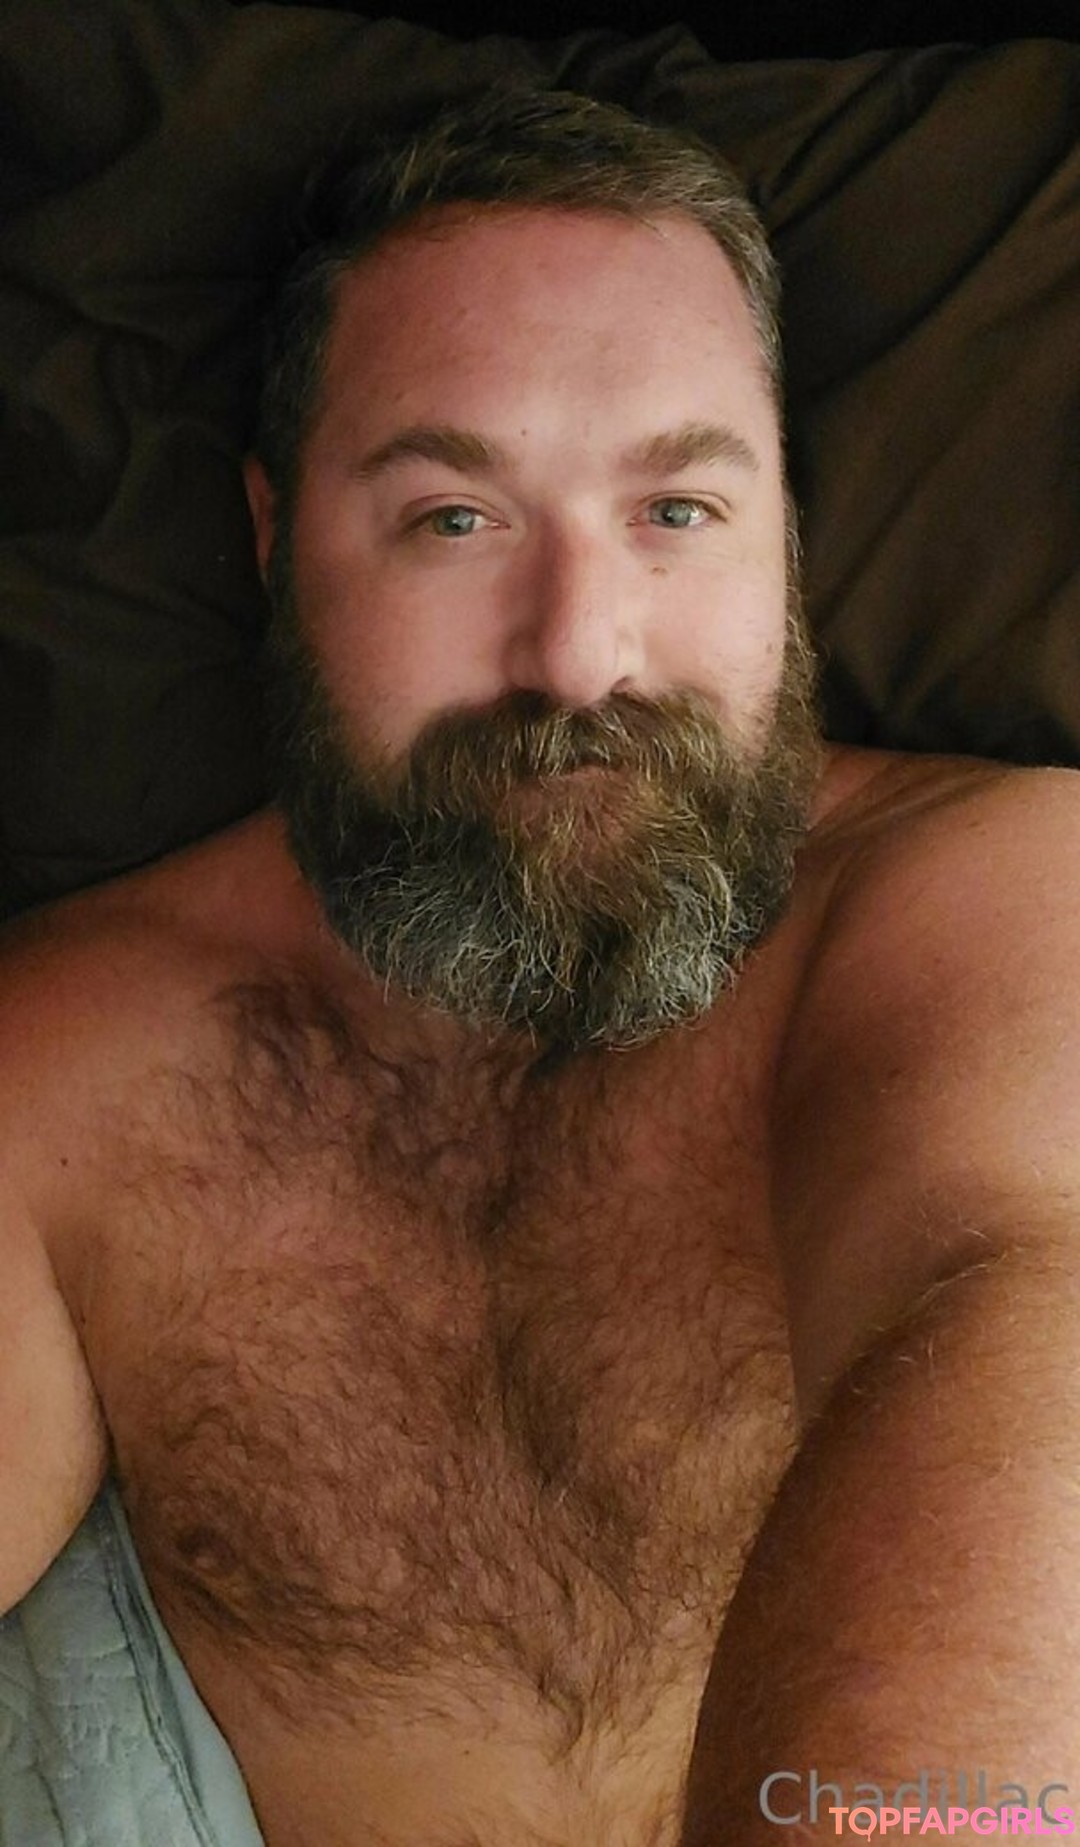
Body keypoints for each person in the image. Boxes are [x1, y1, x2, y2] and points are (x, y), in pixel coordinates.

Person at [1, 86, 1078, 1847]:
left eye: (679, 510)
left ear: (788, 536)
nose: (581, 656)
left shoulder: (1001, 909)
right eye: (454, 518)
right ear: (273, 540)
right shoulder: (66, 1071)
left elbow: (1026, 1307)